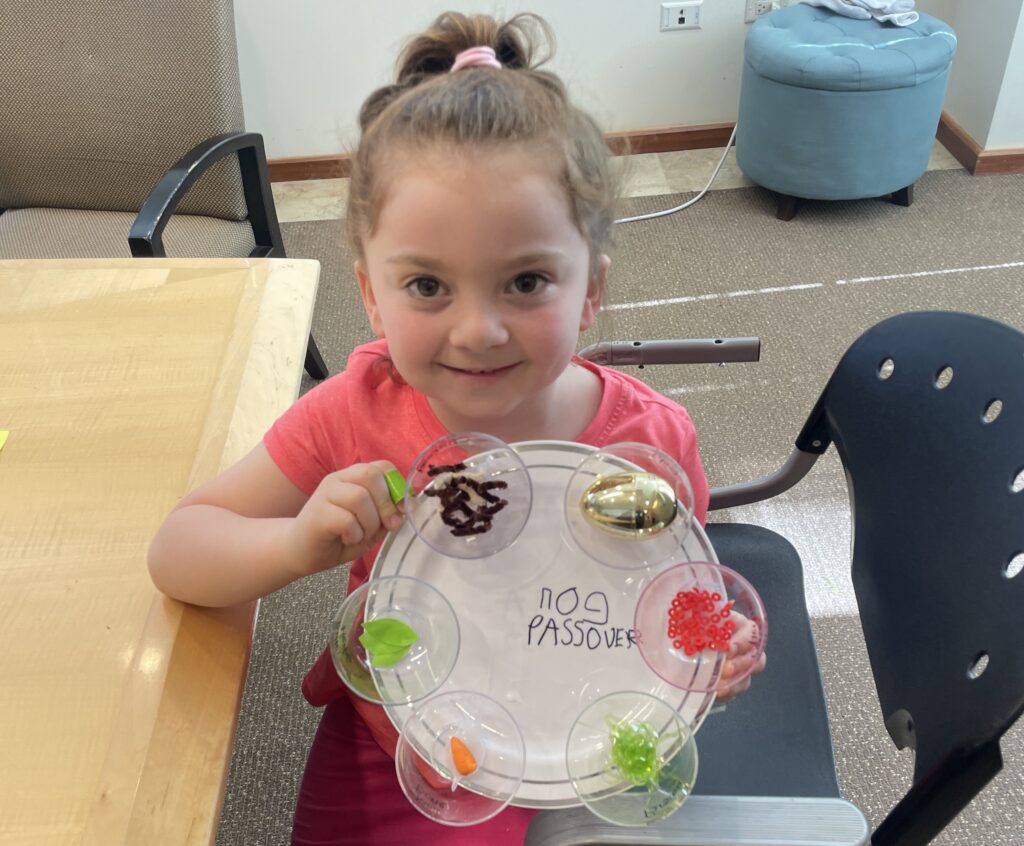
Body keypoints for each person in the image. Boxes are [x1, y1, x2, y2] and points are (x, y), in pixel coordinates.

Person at [148, 11, 761, 844]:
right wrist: (297, 544)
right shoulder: (356, 408)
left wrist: (709, 655)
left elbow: (665, 603)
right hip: (405, 749)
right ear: (370, 294)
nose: (478, 330)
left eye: (527, 280)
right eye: (428, 286)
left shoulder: (649, 442)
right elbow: (180, 550)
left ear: (590, 291)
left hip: (582, 760)